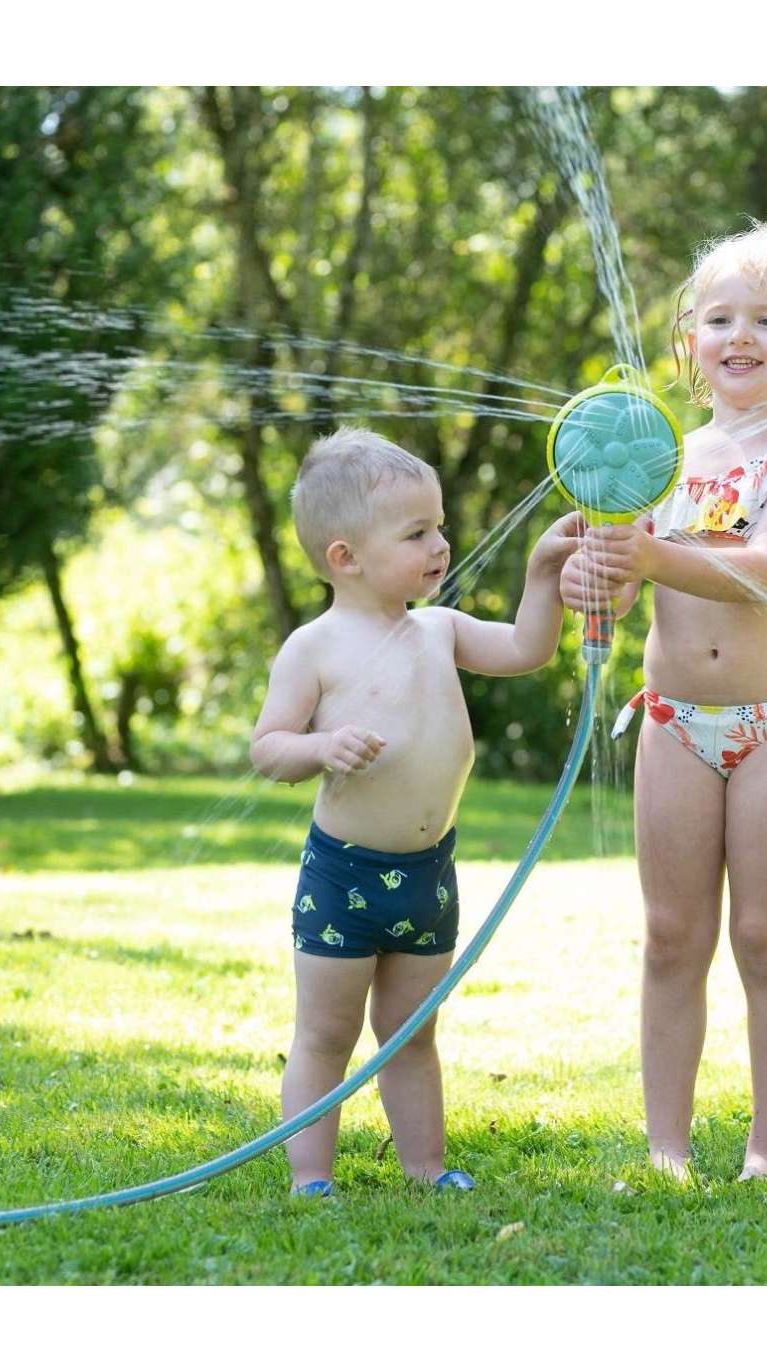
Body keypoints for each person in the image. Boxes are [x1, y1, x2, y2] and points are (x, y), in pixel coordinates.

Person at [561, 222, 767, 1182]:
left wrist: (648, 552)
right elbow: (628, 582)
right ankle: (666, 1147)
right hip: (675, 723)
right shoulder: (662, 458)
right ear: (690, 340)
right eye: (720, 319)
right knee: (672, 937)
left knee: (763, 937)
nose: (740, 335)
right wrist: (595, 576)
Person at [251, 427, 581, 1196]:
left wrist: (542, 573)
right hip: (345, 880)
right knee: (326, 1035)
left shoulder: (439, 628)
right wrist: (321, 746)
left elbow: (525, 649)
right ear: (346, 557)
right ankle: (311, 1176)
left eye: (439, 527)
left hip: (428, 876)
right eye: (416, 533)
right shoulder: (314, 647)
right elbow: (268, 748)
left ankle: (426, 1167)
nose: (440, 544)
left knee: (412, 1036)